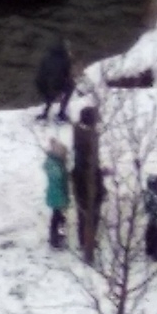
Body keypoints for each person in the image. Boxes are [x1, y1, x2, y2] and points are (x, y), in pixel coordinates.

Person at [72, 106, 105, 264]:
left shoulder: (78, 132)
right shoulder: (90, 137)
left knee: (83, 212)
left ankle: (84, 240)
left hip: (81, 177)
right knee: (92, 211)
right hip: (87, 178)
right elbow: (90, 161)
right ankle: (88, 242)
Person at [35, 38, 74, 123]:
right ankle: (62, 113)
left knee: (50, 94)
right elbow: (66, 75)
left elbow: (41, 72)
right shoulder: (65, 59)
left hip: (43, 83)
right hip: (55, 84)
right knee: (71, 86)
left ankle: (45, 113)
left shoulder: (47, 56)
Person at [43, 138, 70, 249]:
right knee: (58, 218)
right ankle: (56, 239)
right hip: (58, 197)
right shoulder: (56, 167)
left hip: (56, 196)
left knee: (57, 217)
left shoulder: (53, 164)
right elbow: (60, 181)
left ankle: (56, 237)